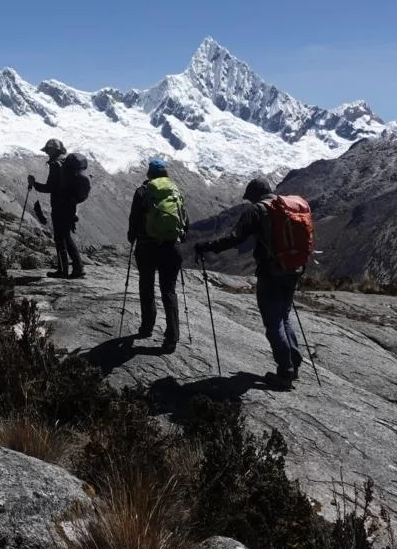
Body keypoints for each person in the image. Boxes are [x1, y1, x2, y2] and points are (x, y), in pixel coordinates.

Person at [196, 178, 304, 387]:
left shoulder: (256, 211)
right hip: (293, 269)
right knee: (284, 316)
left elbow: (236, 238)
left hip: (270, 272)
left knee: (273, 322)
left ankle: (285, 371)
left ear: (254, 196)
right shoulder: (286, 207)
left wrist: (208, 246)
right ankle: (294, 364)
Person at [128, 158, 186, 350]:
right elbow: (186, 222)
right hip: (172, 247)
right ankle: (172, 337)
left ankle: (147, 327)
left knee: (147, 286)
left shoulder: (143, 191)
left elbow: (134, 219)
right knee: (168, 290)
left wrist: (132, 237)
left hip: (147, 247)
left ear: (149, 174)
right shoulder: (175, 191)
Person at [29, 138, 85, 278]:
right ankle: (78, 268)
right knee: (66, 236)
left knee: (60, 238)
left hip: (60, 206)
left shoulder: (55, 164)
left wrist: (34, 184)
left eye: (49, 150)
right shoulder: (67, 163)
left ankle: (63, 270)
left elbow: (50, 187)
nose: (47, 152)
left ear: (55, 150)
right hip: (70, 205)